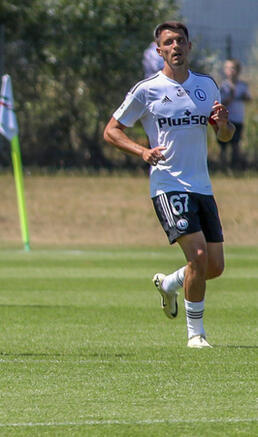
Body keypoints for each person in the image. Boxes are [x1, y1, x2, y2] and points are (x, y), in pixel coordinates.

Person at [103, 21, 233, 348]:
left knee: (213, 267)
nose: (175, 46)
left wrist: (224, 125)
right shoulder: (146, 90)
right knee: (199, 255)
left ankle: (170, 283)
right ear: (159, 50)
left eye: (180, 41)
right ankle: (196, 335)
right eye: (168, 42)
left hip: (202, 186)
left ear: (190, 47)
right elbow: (111, 131)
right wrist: (142, 150)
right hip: (168, 185)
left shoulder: (206, 86)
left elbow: (224, 135)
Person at [219, 58, 250, 169]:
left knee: (236, 144)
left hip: (238, 119)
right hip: (226, 120)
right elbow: (221, 102)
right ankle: (223, 167)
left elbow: (248, 99)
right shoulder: (224, 86)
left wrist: (244, 97)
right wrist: (231, 96)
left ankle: (235, 167)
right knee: (223, 145)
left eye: (233, 68)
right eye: (228, 68)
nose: (231, 71)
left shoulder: (242, 86)